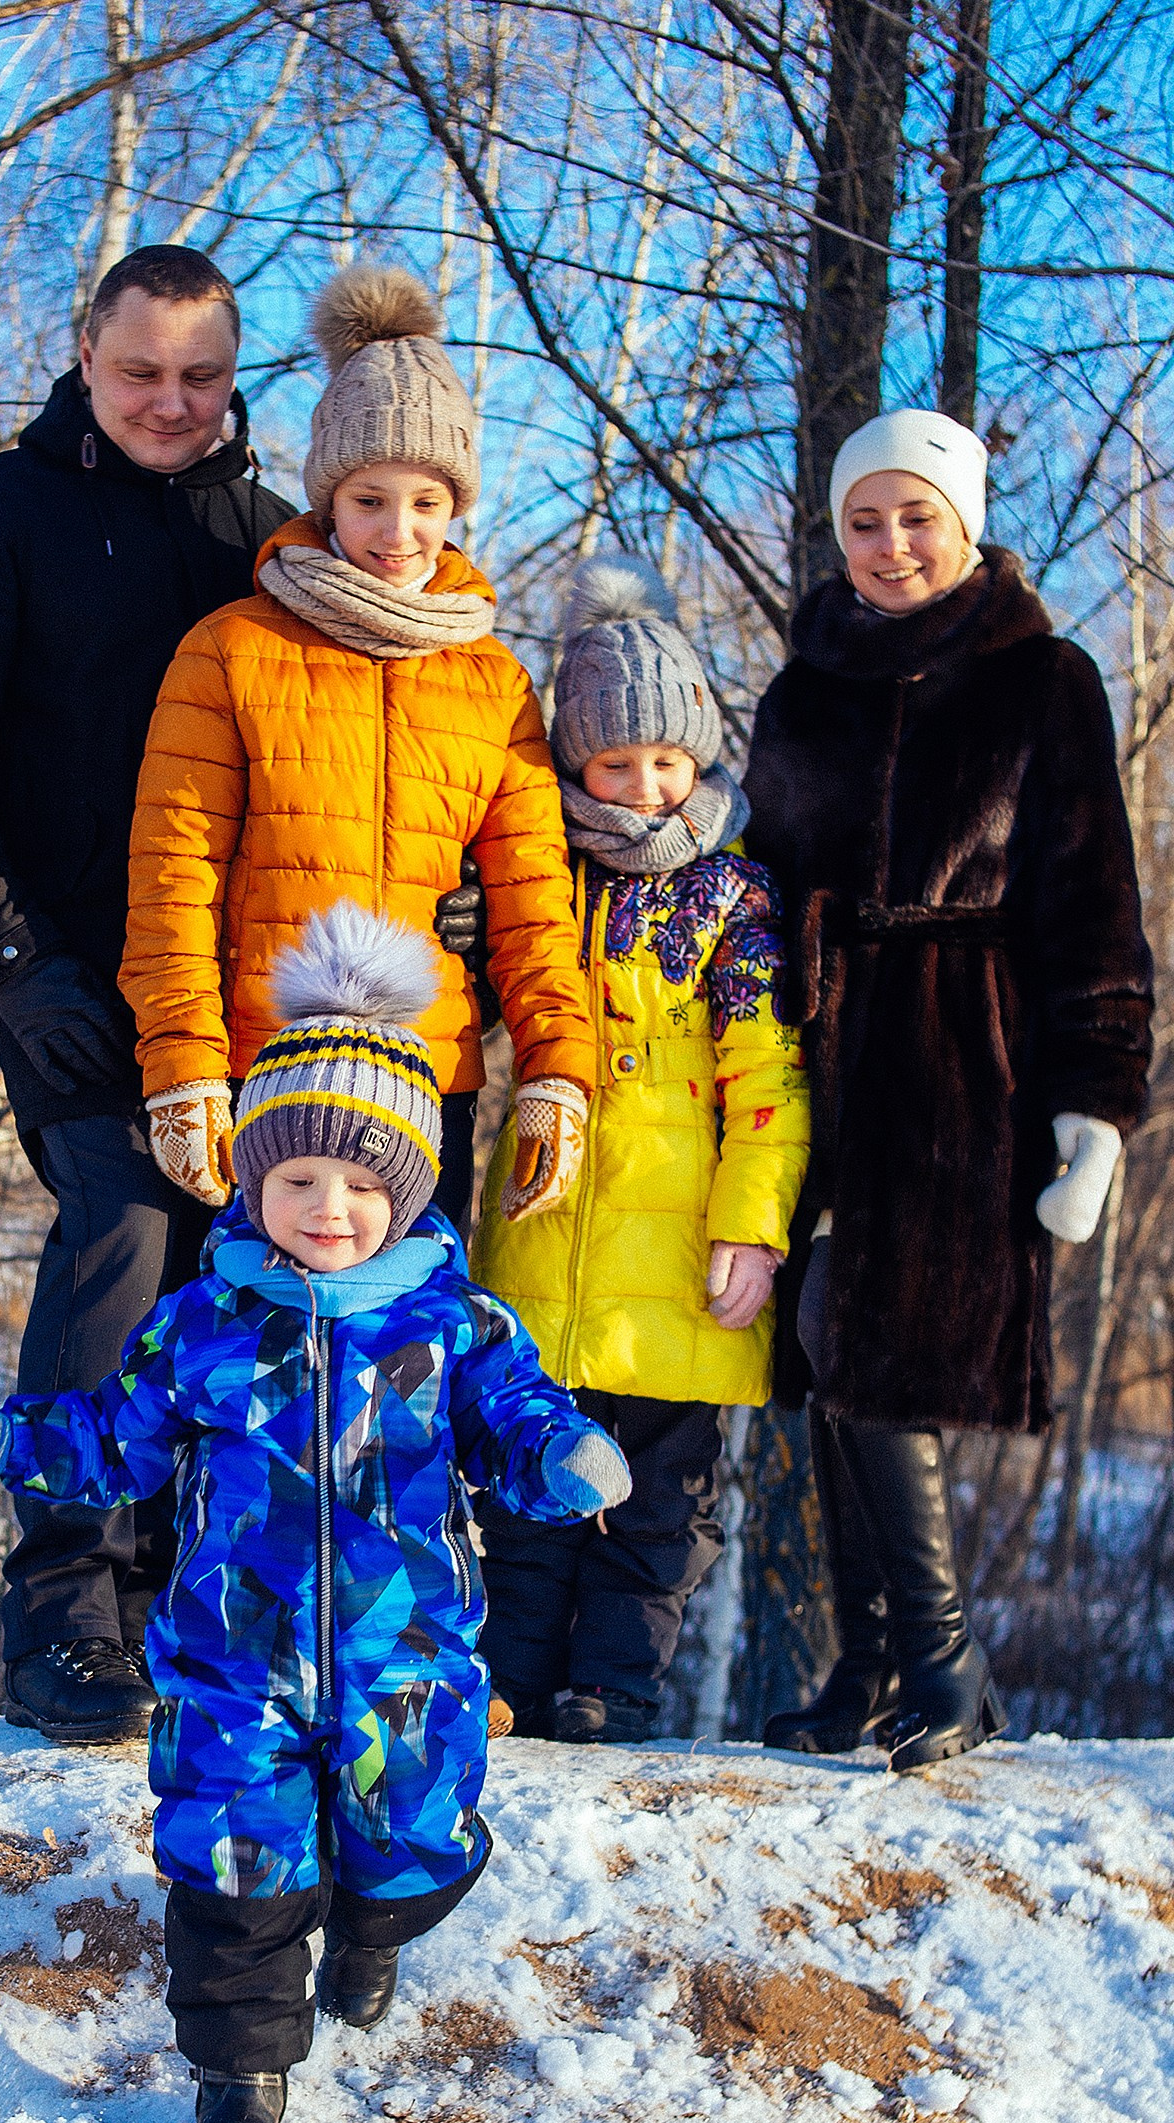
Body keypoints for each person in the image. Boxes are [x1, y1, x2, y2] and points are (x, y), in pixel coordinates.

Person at [0, 906, 631, 2123]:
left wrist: (561, 1459)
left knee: (407, 1841)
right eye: (296, 1179)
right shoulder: (205, 1320)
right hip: (229, 1660)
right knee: (231, 1862)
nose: (328, 1208)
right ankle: (236, 2081)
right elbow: (109, 1441)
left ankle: (372, 1927)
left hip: (403, 1657)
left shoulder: (452, 1327)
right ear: (253, 1181)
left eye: (361, 1184)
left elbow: (515, 1424)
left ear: (405, 1191)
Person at [0, 245, 298, 1747]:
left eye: (199, 377)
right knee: (121, 1226)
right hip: (61, 967)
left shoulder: (272, 535)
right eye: (140, 373)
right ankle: (67, 1613)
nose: (169, 403)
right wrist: (9, 956)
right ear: (85, 357)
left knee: (234, 1272)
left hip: (247, 985)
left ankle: (183, 1609)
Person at [747, 409, 1154, 1771]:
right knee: (822, 1349)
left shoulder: (1044, 680)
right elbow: (755, 875)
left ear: (966, 520)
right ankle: (871, 1667)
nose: (891, 544)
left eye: (916, 516)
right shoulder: (803, 687)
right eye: (865, 520)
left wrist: (1094, 1102)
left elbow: (1093, 902)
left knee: (886, 1348)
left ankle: (945, 1668)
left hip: (964, 1055)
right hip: (813, 1051)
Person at [119, 263, 596, 1247]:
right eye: (369, 498)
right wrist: (179, 1066)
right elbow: (173, 881)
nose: (397, 530)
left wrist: (556, 1072)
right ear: (328, 497)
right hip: (265, 1083)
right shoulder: (231, 650)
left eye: (426, 501)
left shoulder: (492, 680)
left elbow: (533, 904)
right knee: (251, 1375)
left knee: (412, 1367)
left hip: (424, 1092)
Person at [472, 558, 810, 1744]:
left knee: (658, 1501)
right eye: (614, 764)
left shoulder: (732, 898)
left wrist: (751, 1229)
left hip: (676, 1262)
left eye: (664, 762)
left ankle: (611, 1690)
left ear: (699, 759)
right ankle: (507, 1678)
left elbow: (766, 1078)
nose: (643, 787)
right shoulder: (539, 878)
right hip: (543, 1242)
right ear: (574, 766)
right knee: (526, 1483)